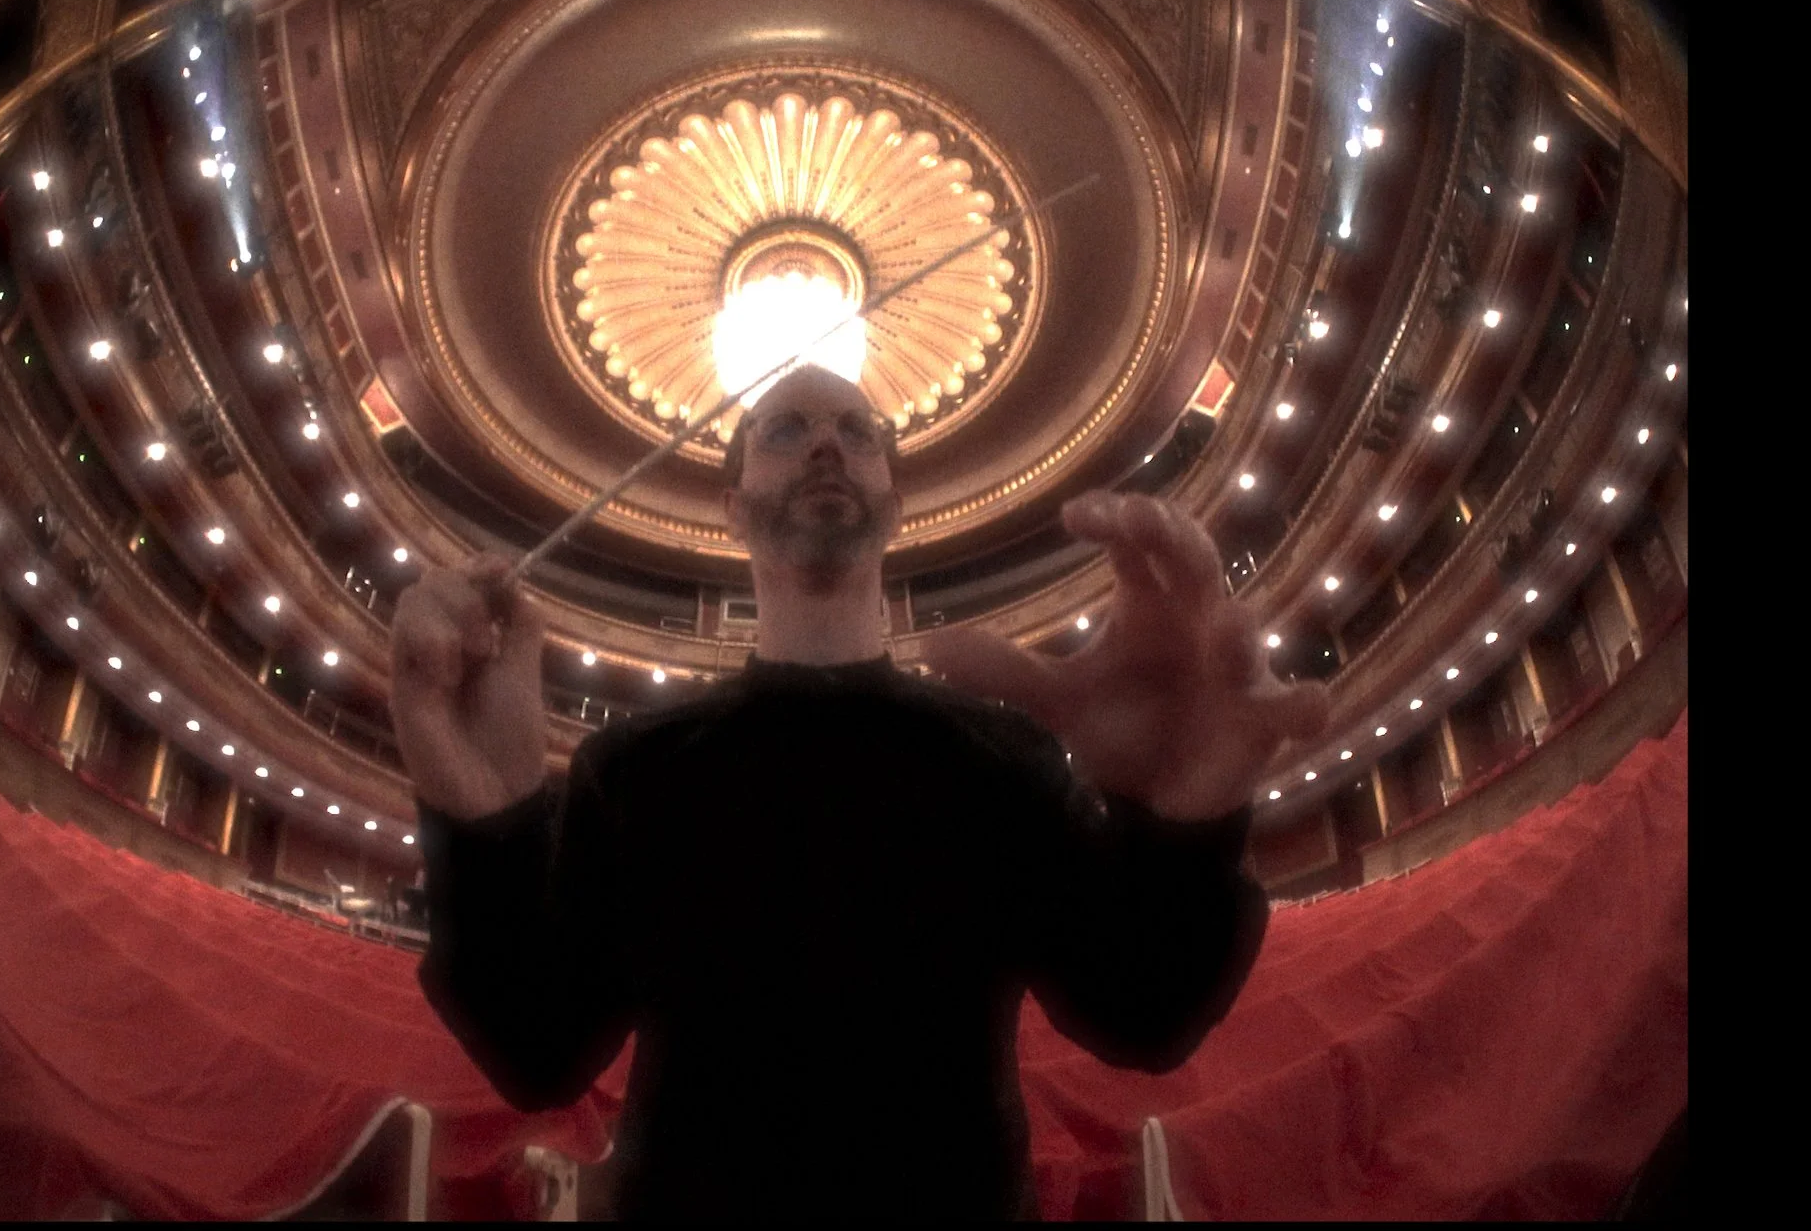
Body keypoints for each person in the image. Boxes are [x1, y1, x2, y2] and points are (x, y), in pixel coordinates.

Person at [391, 365, 1327, 1219]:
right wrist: (484, 816)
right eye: (783, 429)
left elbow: (1143, 1012)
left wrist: (1183, 817)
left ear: (895, 496)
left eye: (857, 430)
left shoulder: (1002, 757)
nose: (828, 444)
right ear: (731, 504)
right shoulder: (633, 766)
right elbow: (535, 1051)